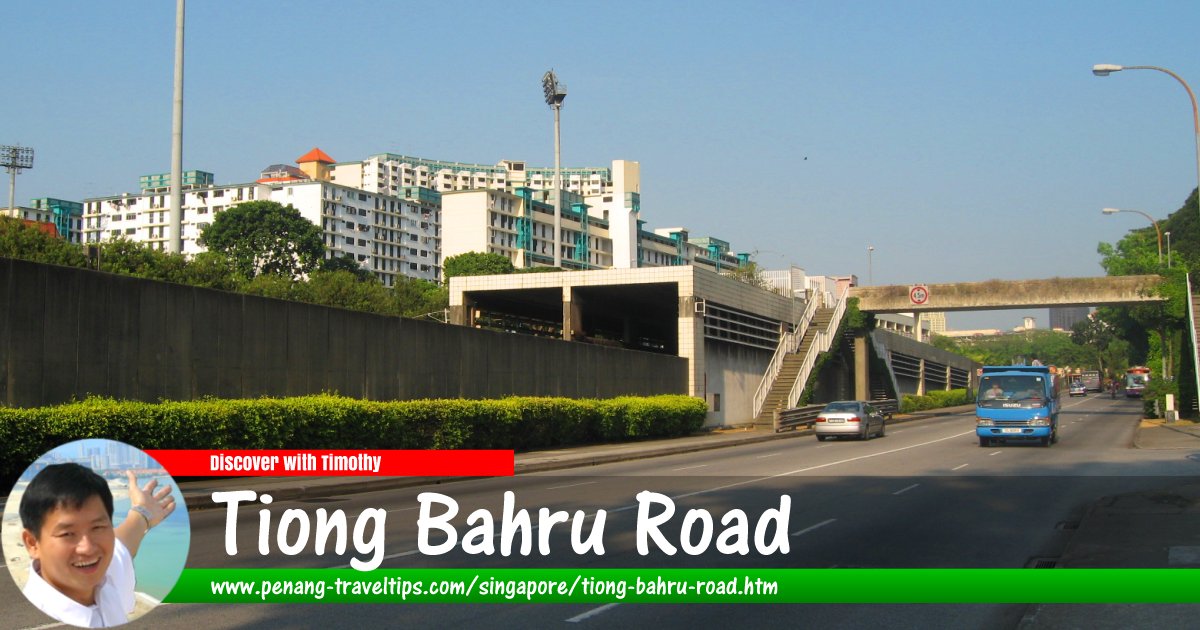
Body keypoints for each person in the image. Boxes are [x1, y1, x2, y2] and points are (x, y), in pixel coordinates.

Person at [18, 463, 176, 628]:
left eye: (97, 527)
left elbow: (123, 543)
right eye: (67, 534)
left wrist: (143, 512)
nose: (88, 548)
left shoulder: (106, 576)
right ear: (32, 543)